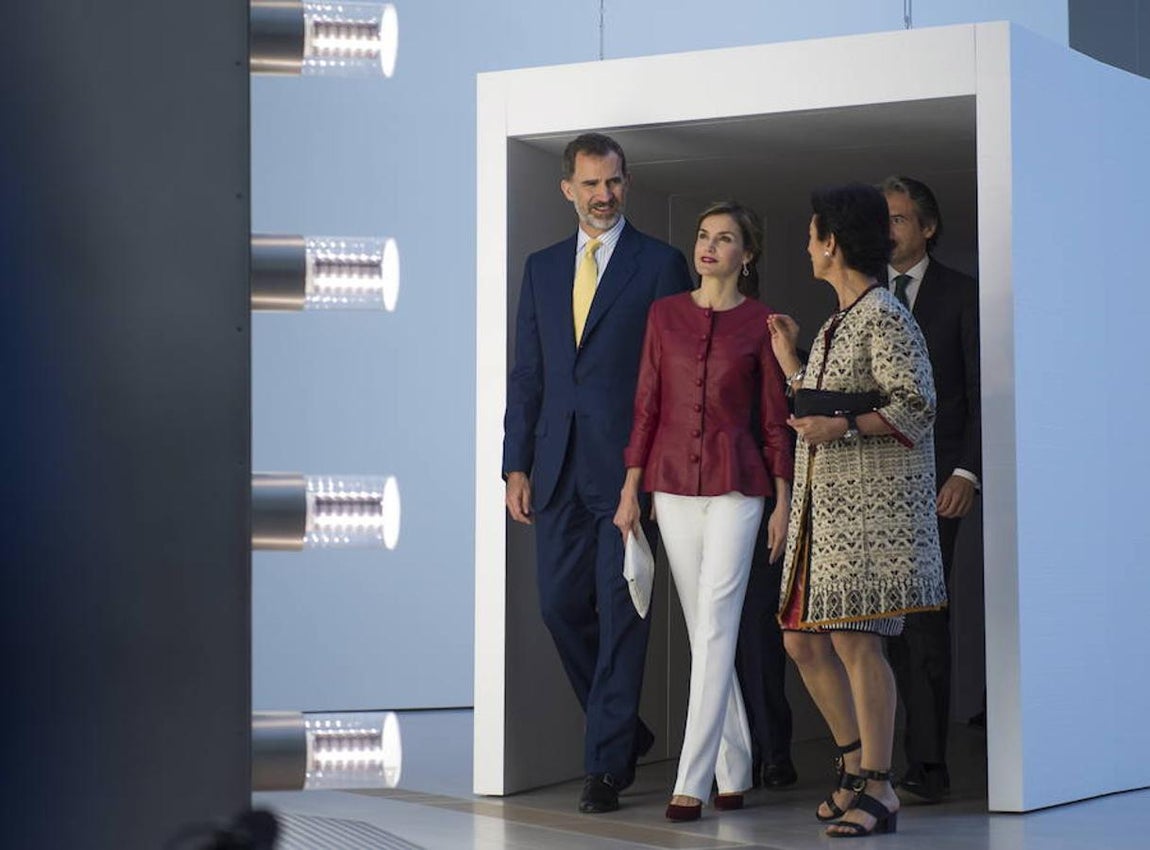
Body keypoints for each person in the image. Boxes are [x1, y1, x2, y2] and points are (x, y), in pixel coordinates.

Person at [502, 132, 694, 814]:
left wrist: (647, 476)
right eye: (589, 184)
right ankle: (627, 731)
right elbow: (528, 372)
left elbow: (675, 380)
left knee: (623, 616)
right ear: (567, 189)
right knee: (559, 608)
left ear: (626, 182)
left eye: (612, 182)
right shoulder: (542, 267)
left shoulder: (661, 264)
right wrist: (514, 463)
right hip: (553, 471)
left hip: (626, 478)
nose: (602, 195)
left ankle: (606, 767)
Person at [769, 184, 947, 838]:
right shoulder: (838, 320)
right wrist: (792, 362)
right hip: (828, 511)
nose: (807, 247)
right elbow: (827, 401)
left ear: (832, 243)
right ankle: (853, 765)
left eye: (813, 236)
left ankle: (880, 785)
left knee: (856, 641)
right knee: (799, 640)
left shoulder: (885, 317)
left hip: (868, 517)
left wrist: (840, 431)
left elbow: (916, 404)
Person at [615, 201, 794, 822]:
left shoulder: (763, 322)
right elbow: (646, 404)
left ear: (747, 255)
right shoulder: (663, 316)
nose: (710, 246)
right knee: (703, 629)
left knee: (717, 620)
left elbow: (774, 419)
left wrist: (783, 499)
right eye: (703, 236)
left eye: (725, 239)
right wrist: (629, 491)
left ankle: (690, 779)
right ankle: (734, 764)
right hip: (668, 484)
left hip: (739, 486)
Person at [879, 176, 981, 803]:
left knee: (924, 623)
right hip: (873, 486)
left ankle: (929, 765)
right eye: (882, 219)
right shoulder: (863, 295)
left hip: (940, 482)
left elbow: (980, 390)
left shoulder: (961, 295)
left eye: (897, 219)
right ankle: (874, 763)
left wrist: (967, 473)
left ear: (927, 227)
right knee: (876, 627)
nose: (887, 230)